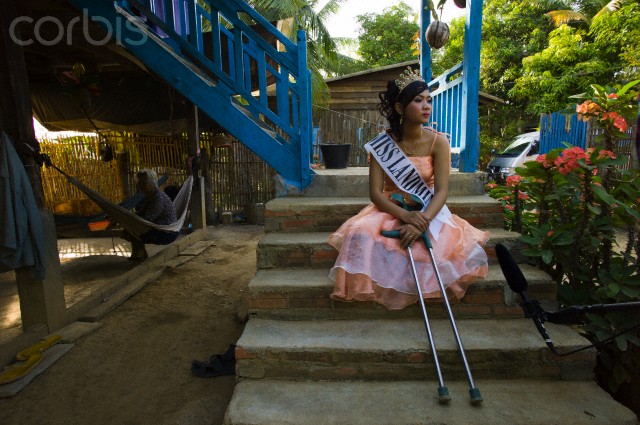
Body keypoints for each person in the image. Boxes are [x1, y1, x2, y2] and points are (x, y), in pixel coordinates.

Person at [328, 67, 490, 309]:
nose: (426, 106)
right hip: (391, 208)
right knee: (361, 232)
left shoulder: (439, 142)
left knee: (437, 246)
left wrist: (421, 221)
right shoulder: (383, 145)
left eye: (428, 100)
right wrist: (405, 216)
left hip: (427, 209)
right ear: (400, 108)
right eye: (418, 100)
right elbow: (375, 193)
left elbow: (442, 192)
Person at [123, 169, 179, 260]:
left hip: (167, 233)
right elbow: (140, 213)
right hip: (162, 230)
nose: (140, 186)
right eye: (139, 183)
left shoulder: (158, 198)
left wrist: (126, 220)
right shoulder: (151, 196)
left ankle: (139, 256)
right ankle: (140, 254)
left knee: (132, 230)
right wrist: (122, 216)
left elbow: (147, 219)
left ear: (152, 182)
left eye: (143, 183)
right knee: (130, 228)